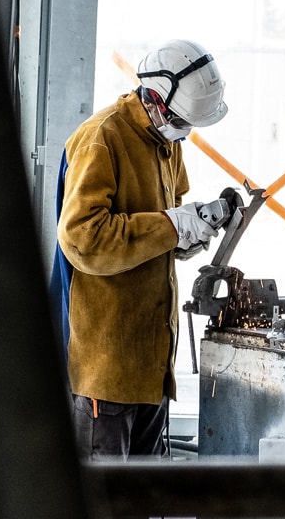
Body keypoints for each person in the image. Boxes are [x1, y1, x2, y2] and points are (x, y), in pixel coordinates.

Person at [55, 39, 228, 460]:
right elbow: (82, 238)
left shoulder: (166, 142)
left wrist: (196, 228)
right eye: (180, 120)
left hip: (151, 367)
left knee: (143, 498)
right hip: (107, 369)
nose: (184, 131)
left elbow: (161, 233)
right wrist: (172, 226)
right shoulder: (102, 138)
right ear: (152, 96)